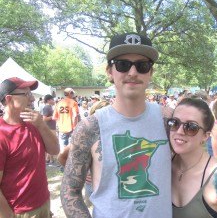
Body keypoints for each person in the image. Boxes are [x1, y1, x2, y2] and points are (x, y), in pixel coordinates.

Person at [60, 32, 173, 218]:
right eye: (123, 64)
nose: (133, 72)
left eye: (142, 66)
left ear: (151, 73)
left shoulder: (169, 120)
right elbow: (70, 191)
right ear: (109, 72)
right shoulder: (89, 128)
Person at [167, 98, 217, 218]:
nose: (179, 131)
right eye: (174, 122)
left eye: (191, 127)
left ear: (205, 136)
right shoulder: (162, 165)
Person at [0, 77, 59, 218]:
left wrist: (41, 125)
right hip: (20, 211)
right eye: (26, 94)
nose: (32, 99)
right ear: (9, 99)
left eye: (31, 94)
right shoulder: (2, 134)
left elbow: (55, 150)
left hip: (43, 202)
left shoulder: (34, 123)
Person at [53, 87, 79, 152]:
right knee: (72, 147)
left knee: (63, 148)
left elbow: (54, 117)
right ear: (70, 93)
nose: (73, 95)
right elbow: (75, 115)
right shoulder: (73, 102)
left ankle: (63, 160)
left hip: (62, 128)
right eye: (73, 93)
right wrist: (75, 126)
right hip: (72, 128)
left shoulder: (59, 103)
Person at [42, 94, 56, 164]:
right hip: (49, 128)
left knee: (50, 143)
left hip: (52, 127)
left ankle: (48, 158)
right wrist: (53, 116)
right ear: (48, 100)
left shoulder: (50, 107)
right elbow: (44, 118)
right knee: (51, 143)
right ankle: (51, 159)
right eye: (52, 99)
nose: (54, 101)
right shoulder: (47, 107)